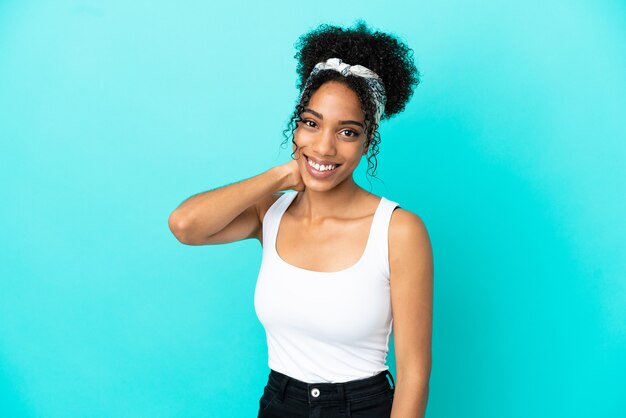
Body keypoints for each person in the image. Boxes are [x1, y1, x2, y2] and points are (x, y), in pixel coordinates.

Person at [168, 20, 433, 418]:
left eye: (347, 132)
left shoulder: (398, 230)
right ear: (297, 126)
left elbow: (413, 374)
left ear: (367, 141)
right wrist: (283, 175)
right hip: (280, 403)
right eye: (311, 123)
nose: (324, 146)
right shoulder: (269, 213)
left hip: (362, 408)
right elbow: (185, 225)